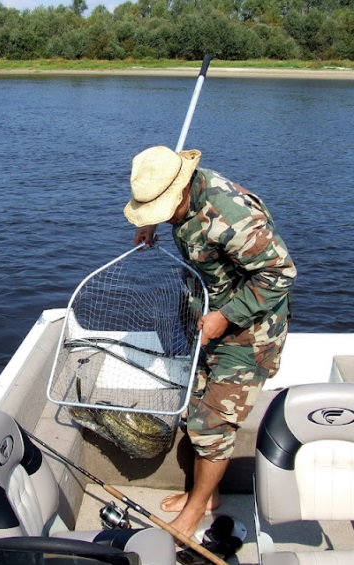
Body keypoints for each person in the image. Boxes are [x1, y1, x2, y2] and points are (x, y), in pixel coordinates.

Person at [123, 145, 296, 539]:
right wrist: (154, 224)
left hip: (249, 330)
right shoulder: (178, 192)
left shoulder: (231, 217)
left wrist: (225, 316)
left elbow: (281, 273)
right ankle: (209, 493)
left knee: (212, 424)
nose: (158, 215)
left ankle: (198, 508)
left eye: (161, 210)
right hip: (209, 316)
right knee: (196, 406)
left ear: (181, 191)